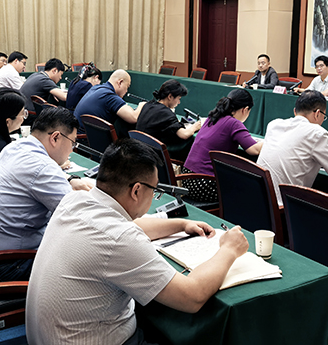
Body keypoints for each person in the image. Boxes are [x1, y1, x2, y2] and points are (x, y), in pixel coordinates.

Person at [26, 139, 249, 345]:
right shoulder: (119, 239)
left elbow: (126, 227)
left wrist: (181, 224)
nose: (154, 196)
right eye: (155, 190)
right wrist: (229, 249)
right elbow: (192, 296)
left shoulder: (75, 199)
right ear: (137, 191)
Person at [0, 107, 94, 281]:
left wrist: (70, 180)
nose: (71, 150)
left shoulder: (15, 147)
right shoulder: (42, 167)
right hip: (7, 265)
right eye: (72, 143)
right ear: (55, 137)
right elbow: (81, 217)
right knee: (87, 253)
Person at [257, 90, 328, 206]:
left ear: (295, 111)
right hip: (282, 208)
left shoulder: (274, 124)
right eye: (324, 117)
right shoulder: (317, 133)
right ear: (317, 113)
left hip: (257, 199)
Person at [183, 88, 262, 202]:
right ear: (245, 110)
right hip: (205, 184)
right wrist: (268, 140)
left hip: (186, 180)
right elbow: (254, 150)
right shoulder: (234, 123)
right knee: (249, 188)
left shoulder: (212, 117)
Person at [136, 79, 201, 160]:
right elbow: (185, 134)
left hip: (137, 151)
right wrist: (195, 127)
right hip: (152, 156)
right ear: (170, 97)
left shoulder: (148, 105)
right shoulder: (165, 113)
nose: (179, 102)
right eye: (179, 98)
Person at [74, 69, 145, 130]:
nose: (126, 91)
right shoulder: (109, 96)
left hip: (78, 135)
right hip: (87, 139)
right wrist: (141, 105)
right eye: (127, 86)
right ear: (120, 82)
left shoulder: (96, 88)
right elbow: (134, 117)